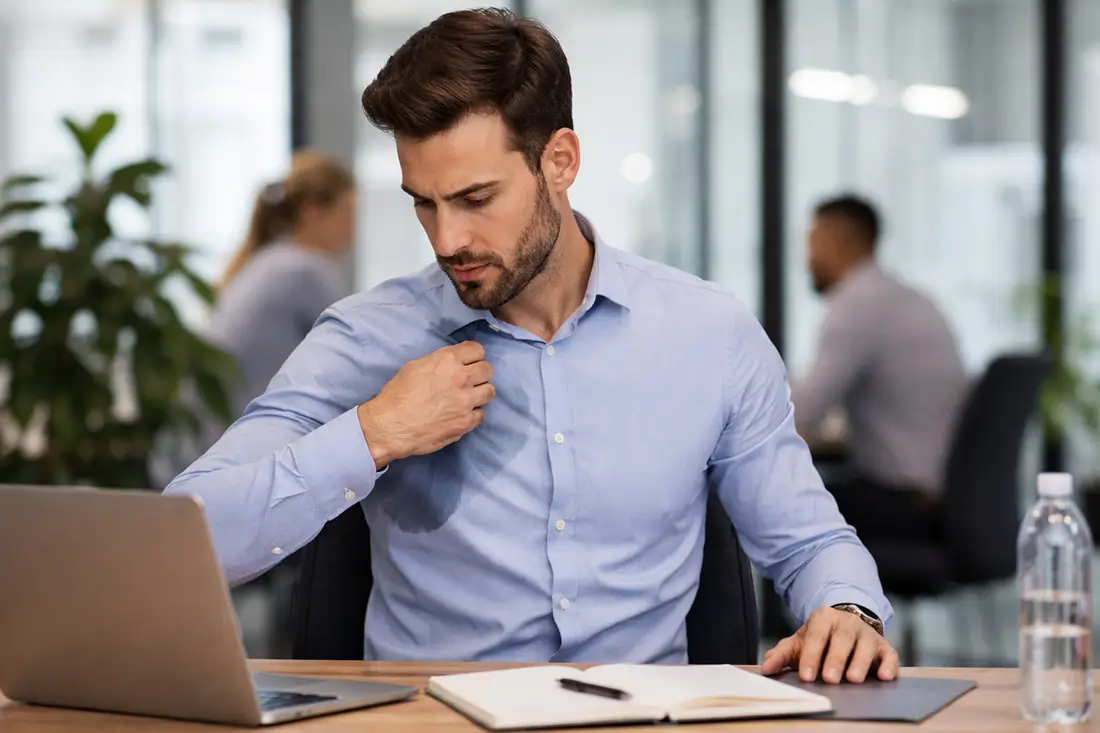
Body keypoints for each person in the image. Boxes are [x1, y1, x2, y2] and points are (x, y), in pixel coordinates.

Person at [165, 8, 898, 684]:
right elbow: (190, 537)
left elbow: (808, 542)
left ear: (561, 161)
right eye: (424, 201)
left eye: (476, 199)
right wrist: (374, 432)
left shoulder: (709, 335)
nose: (448, 238)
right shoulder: (368, 336)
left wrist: (847, 609)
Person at [150, 151, 355, 488]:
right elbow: (359, 355)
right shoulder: (305, 270)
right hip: (217, 469)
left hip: (185, 459)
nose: (352, 229)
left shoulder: (269, 260)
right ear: (312, 212)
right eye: (347, 212)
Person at [791, 194, 970, 541]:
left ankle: (817, 598)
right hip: (943, 493)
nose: (808, 259)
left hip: (904, 501)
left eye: (813, 244)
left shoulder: (856, 305)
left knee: (776, 511)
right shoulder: (907, 297)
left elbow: (803, 412)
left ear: (837, 242)